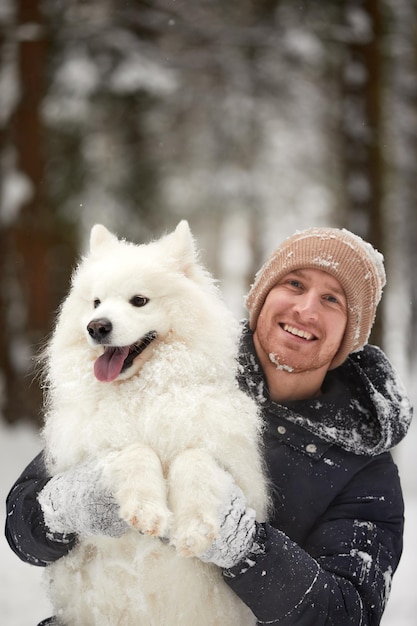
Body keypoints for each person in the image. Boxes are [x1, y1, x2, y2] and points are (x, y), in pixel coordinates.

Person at [5, 226, 413, 626]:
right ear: (262, 295)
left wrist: (245, 547)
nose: (305, 310)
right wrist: (63, 510)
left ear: (351, 331)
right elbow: (21, 528)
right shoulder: (168, 361)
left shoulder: (364, 465)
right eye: (294, 284)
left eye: (331, 299)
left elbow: (347, 613)